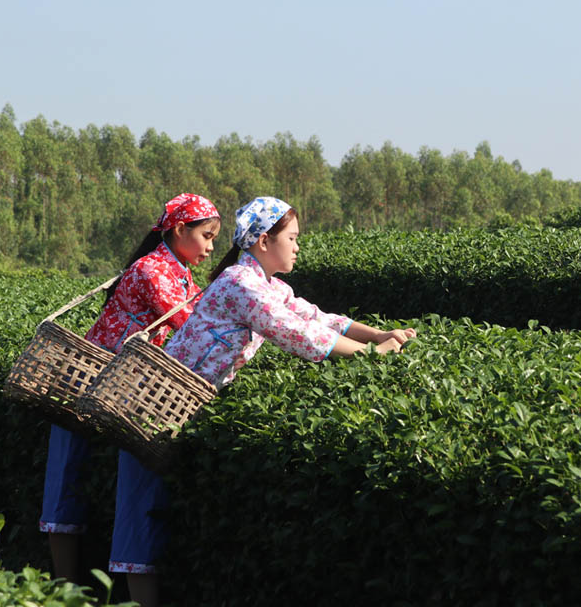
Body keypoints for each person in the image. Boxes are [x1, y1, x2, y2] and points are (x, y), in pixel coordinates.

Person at [111, 197, 413, 598]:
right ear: (264, 241)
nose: (298, 246)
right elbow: (296, 334)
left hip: (184, 405)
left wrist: (378, 334)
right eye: (292, 237)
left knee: (160, 512)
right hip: (160, 405)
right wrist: (372, 355)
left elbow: (317, 318)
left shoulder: (267, 285)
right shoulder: (240, 284)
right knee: (143, 516)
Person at [39, 193, 220, 607]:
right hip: (88, 379)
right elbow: (190, 325)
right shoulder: (152, 270)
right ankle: (65, 589)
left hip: (125, 384)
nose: (211, 246)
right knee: (66, 480)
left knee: (81, 478)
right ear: (179, 230)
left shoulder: (183, 274)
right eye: (207, 236)